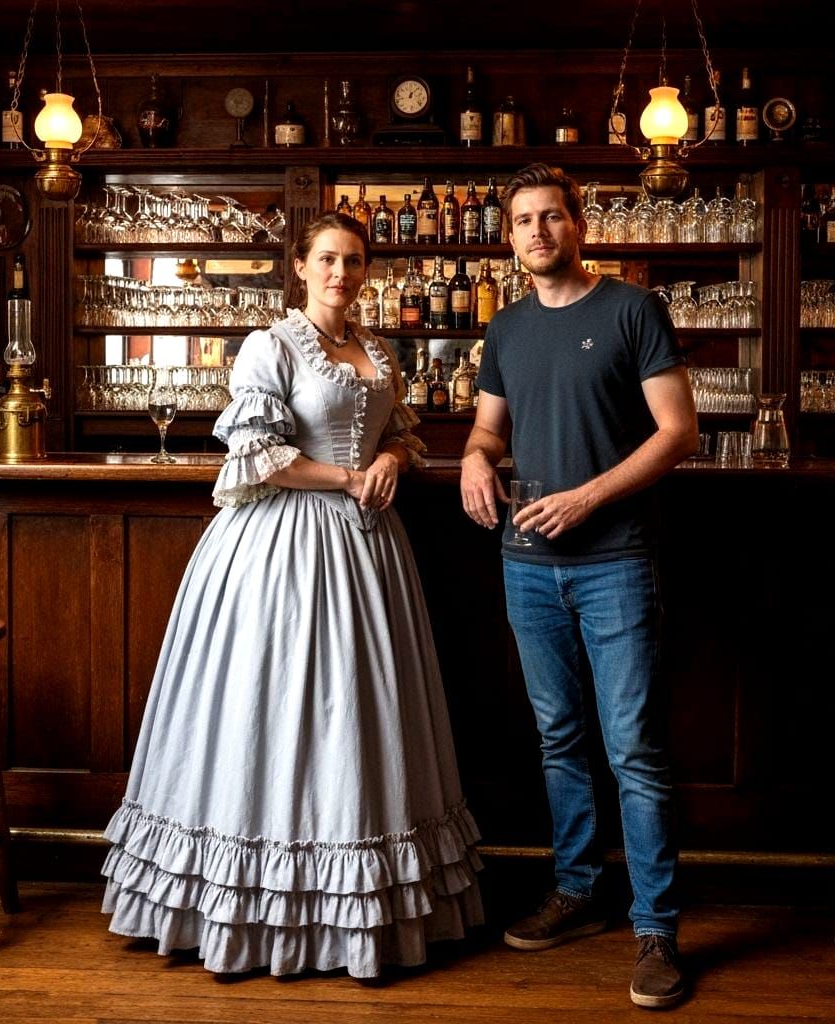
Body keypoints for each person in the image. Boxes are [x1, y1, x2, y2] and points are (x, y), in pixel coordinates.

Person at [102, 212, 483, 979]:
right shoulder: (270, 346)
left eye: (354, 260)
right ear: (301, 267)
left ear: (367, 271)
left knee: (358, 714)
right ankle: (249, 910)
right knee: (268, 710)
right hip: (280, 549)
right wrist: (349, 476)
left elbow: (403, 437)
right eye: (328, 260)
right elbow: (259, 455)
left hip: (369, 554)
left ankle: (355, 909)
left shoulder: (378, 352)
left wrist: (389, 460)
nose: (342, 273)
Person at [459, 164, 698, 1010]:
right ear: (509, 236)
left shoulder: (632, 309)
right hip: (526, 566)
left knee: (633, 749)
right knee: (559, 739)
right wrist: (472, 460)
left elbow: (679, 433)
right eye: (522, 220)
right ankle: (577, 892)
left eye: (550, 216)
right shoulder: (508, 326)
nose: (537, 231)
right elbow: (489, 428)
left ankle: (656, 929)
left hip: (616, 561)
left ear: (577, 226)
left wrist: (591, 494)